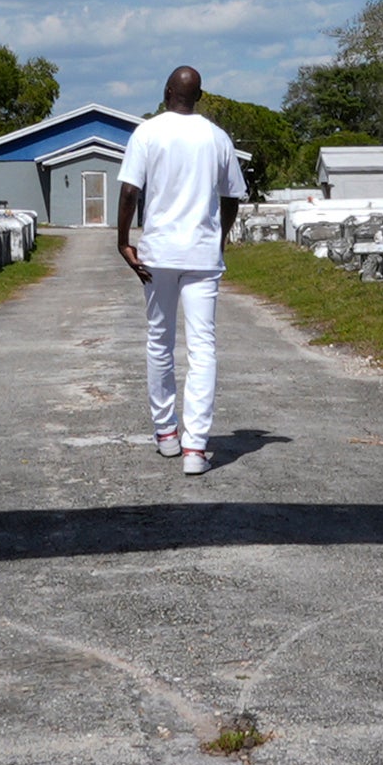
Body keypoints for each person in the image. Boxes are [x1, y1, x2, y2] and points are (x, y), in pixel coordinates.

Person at [114, 66, 249, 475]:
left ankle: (166, 434)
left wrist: (123, 239)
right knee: (202, 347)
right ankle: (195, 447)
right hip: (202, 255)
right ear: (200, 95)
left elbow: (129, 190)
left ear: (167, 90)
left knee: (160, 340)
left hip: (158, 252)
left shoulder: (148, 132)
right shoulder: (216, 136)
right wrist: (221, 237)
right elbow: (232, 196)